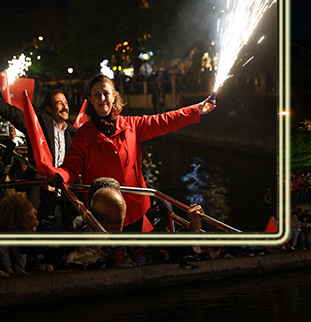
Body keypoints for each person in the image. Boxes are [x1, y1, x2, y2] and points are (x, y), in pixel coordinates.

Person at [52, 74, 216, 231]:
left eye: (106, 93)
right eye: (97, 94)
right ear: (91, 100)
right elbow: (72, 167)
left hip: (135, 210)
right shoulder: (83, 135)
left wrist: (196, 110)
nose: (102, 98)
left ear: (114, 97)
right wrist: (59, 175)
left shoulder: (132, 125)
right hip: (104, 213)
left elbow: (164, 121)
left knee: (134, 254)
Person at [0, 82, 77, 231]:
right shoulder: (38, 122)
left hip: (64, 199)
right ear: (49, 109)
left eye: (66, 102)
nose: (65, 106)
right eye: (59, 103)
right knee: (36, 244)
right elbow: (9, 111)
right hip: (39, 197)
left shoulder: (73, 133)